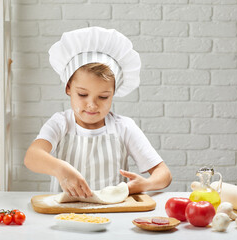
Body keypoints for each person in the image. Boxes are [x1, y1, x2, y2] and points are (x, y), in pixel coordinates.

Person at [24, 27, 172, 198]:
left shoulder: (123, 127)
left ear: (113, 93)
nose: (92, 105)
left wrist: (145, 184)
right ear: (68, 88)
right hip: (65, 214)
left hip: (112, 214)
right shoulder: (60, 123)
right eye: (83, 94)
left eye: (103, 97)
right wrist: (60, 169)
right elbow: (32, 157)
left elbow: (164, 174)